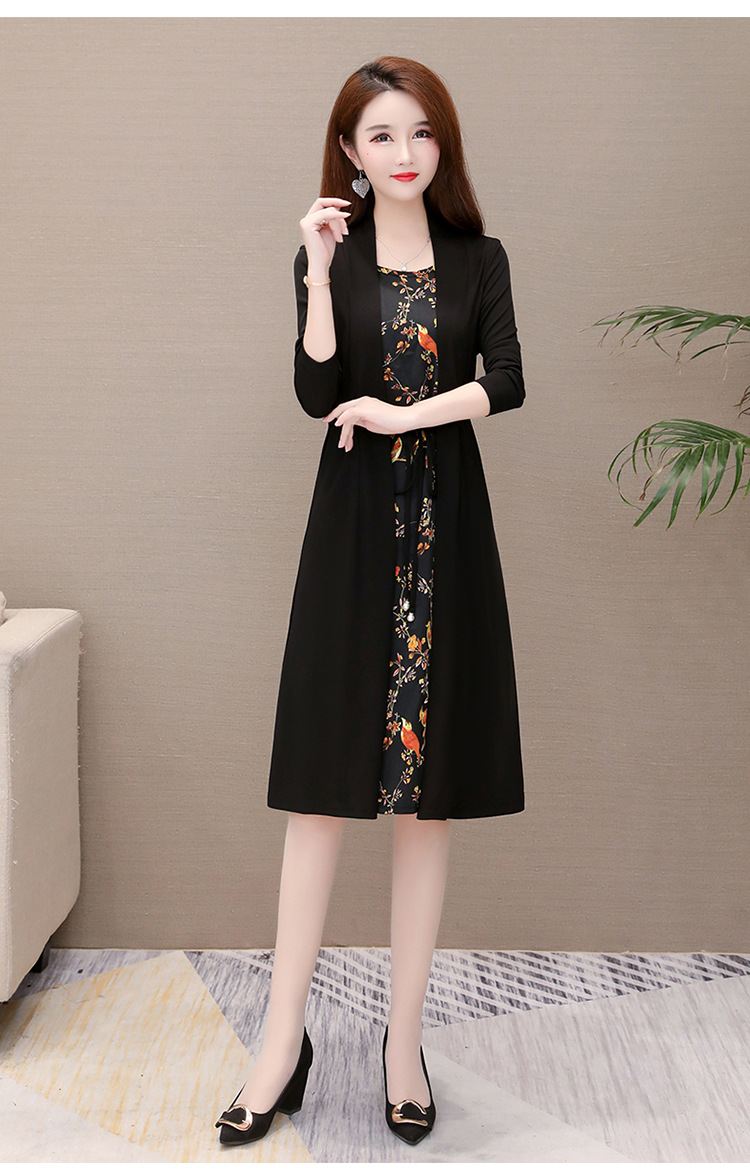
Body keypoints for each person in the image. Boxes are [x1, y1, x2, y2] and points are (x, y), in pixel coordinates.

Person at [215, 55, 526, 1149]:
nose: (405, 153)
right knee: (319, 795)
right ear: (349, 149)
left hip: (446, 537)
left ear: (444, 145)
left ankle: (403, 1046)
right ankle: (279, 1045)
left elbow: (506, 379)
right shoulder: (331, 257)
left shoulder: (478, 257)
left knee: (426, 801)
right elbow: (315, 391)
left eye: (422, 132)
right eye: (383, 135)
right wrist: (313, 270)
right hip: (351, 538)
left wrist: (401, 416)